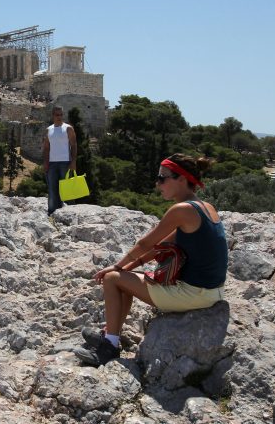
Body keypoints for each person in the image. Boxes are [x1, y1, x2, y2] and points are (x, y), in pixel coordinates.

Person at [74, 153, 228, 367]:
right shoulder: (203, 207)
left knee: (111, 279)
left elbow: (146, 243)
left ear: (182, 179)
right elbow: (159, 248)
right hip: (211, 292)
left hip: (194, 295)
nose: (158, 184)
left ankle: (109, 347)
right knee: (120, 279)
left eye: (163, 178)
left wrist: (117, 268)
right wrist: (126, 269)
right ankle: (110, 334)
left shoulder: (182, 210)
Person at [42, 106, 77, 215]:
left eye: (61, 114)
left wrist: (73, 161)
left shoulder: (68, 128)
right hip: (52, 164)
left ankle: (70, 214)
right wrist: (45, 164)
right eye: (57, 115)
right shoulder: (49, 130)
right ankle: (52, 213)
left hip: (65, 163)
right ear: (53, 115)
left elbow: (74, 145)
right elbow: (46, 148)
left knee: (67, 191)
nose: (59, 117)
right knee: (52, 190)